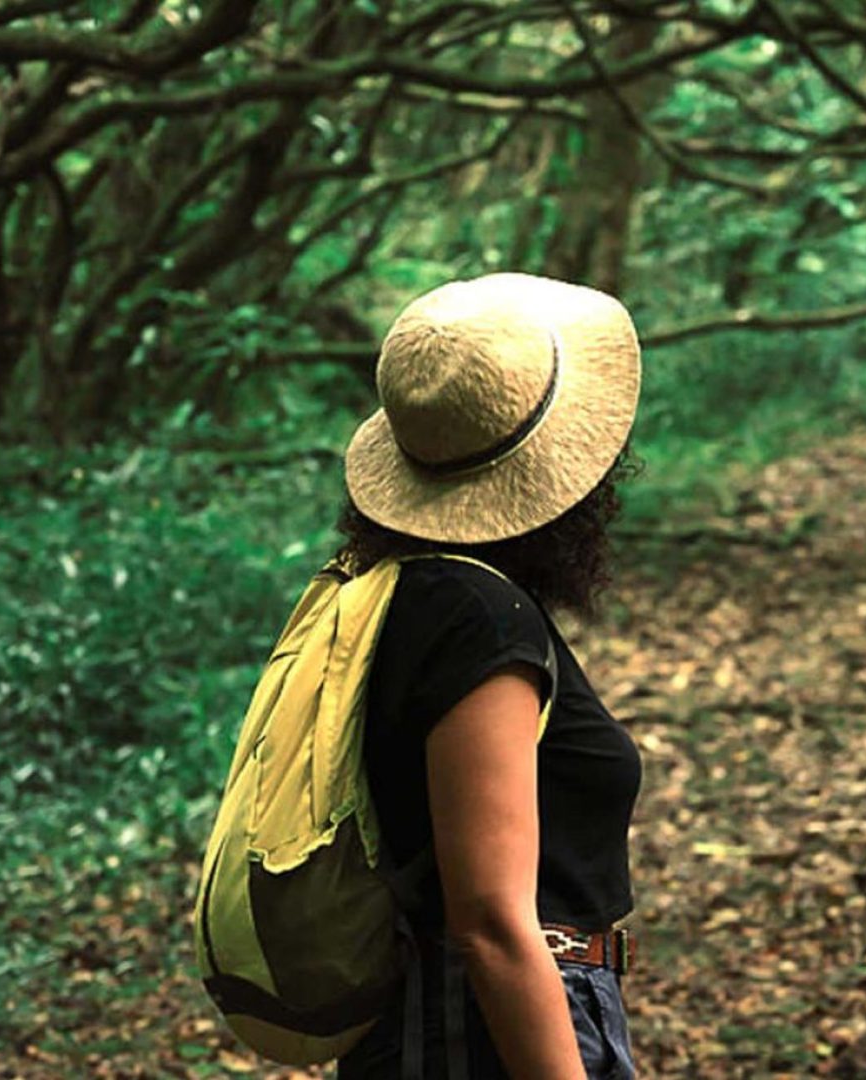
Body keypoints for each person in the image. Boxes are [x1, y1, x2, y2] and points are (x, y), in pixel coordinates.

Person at [332, 273, 644, 1080]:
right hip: (487, 1029)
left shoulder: (406, 588)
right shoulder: (476, 620)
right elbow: (492, 924)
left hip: (448, 1021)